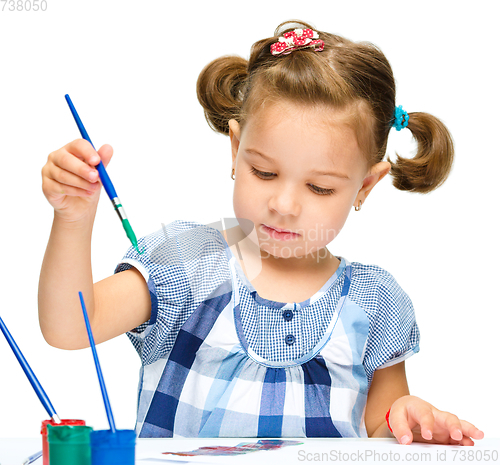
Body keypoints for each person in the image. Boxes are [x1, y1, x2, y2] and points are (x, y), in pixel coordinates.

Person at [38, 20, 484, 445]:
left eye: (319, 187)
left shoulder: (374, 302)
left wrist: (406, 419)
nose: (284, 205)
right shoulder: (187, 264)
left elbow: (381, 434)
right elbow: (69, 327)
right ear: (236, 149)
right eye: (264, 172)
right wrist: (73, 220)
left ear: (365, 185)